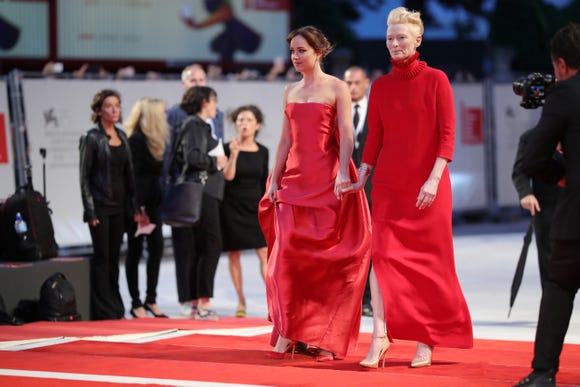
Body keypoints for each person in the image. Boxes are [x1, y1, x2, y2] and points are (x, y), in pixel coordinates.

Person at [343, 7, 473, 368]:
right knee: (381, 260)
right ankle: (380, 336)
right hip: (388, 186)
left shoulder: (437, 80)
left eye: (402, 37)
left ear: (418, 39)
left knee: (428, 265)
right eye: (390, 38)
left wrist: (433, 179)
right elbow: (374, 138)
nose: (395, 43)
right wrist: (362, 175)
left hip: (428, 187)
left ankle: (426, 339)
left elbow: (447, 136)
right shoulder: (380, 85)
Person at [258, 26, 372, 361]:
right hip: (293, 182)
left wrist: (341, 170)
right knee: (284, 262)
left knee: (323, 263)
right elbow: (284, 140)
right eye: (292, 50)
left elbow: (347, 135)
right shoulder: (289, 91)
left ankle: (322, 337)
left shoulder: (337, 87)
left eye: (301, 50)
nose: (295, 56)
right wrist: (275, 180)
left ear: (319, 52)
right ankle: (289, 330)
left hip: (326, 182)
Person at [516, 22, 580, 387]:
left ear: (559, 64)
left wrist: (564, 175)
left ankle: (544, 373)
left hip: (576, 214)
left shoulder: (565, 95)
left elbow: (533, 157)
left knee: (558, 286)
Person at [165, 63, 225, 317]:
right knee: (205, 246)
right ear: (203, 103)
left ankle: (199, 302)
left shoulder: (205, 123)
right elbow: (190, 156)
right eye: (212, 101)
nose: (215, 106)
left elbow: (213, 148)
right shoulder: (190, 123)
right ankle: (199, 302)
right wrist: (216, 162)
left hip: (208, 191)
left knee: (205, 247)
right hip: (197, 192)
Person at [79, 89, 138, 320]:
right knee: (102, 258)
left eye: (117, 105)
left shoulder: (122, 136)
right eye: (109, 105)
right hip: (100, 207)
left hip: (120, 207)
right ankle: (102, 308)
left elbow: (129, 175)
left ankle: (114, 306)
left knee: (114, 258)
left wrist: (133, 206)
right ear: (99, 110)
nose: (114, 109)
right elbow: (84, 177)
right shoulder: (91, 137)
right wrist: (90, 209)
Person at [221, 105, 269, 318]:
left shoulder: (263, 151)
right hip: (231, 206)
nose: (244, 124)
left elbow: (263, 182)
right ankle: (241, 300)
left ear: (257, 125)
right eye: (240, 120)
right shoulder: (227, 147)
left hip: (255, 206)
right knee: (234, 253)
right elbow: (228, 177)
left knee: (264, 252)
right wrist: (233, 154)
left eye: (249, 120)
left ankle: (272, 298)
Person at [124, 97, 169, 319]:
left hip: (154, 203)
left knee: (156, 249)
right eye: (161, 113)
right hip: (138, 204)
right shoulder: (135, 140)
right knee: (134, 251)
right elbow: (131, 177)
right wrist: (136, 206)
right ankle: (135, 302)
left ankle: (151, 299)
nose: (164, 117)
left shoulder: (156, 139)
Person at [512, 129, 563, 289]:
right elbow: (520, 171)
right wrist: (526, 193)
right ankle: (552, 311)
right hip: (547, 207)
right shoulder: (531, 137)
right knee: (550, 268)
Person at [343, 65, 373, 317]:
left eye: (355, 83)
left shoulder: (377, 112)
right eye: (347, 83)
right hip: (343, 190)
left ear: (366, 83)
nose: (351, 88)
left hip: (372, 190)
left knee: (370, 246)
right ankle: (345, 298)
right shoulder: (337, 113)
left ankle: (366, 298)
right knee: (344, 245)